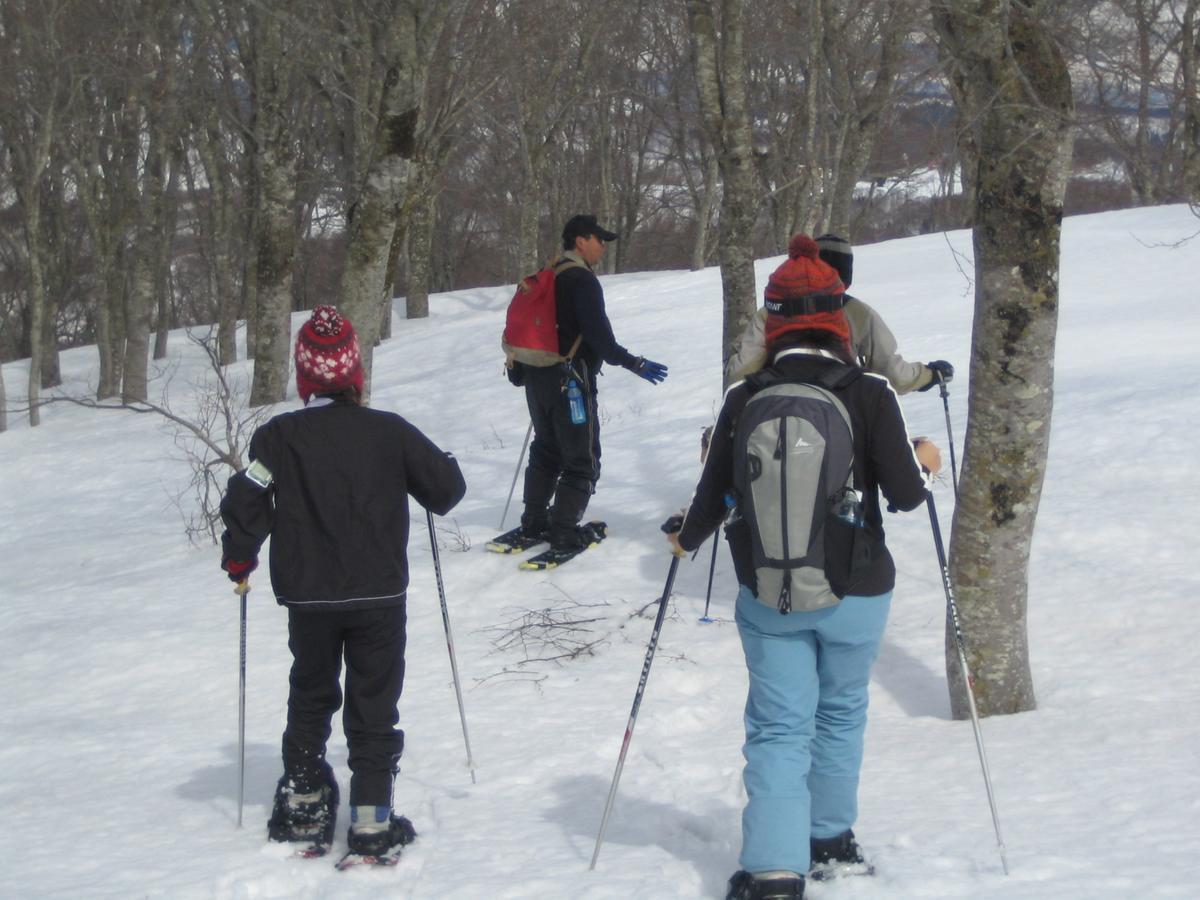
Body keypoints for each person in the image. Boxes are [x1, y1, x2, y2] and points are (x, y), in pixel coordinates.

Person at [666, 237, 941, 900]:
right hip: (859, 590)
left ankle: (773, 870)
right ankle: (831, 839)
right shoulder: (870, 391)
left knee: (778, 727)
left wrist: (686, 541)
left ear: (775, 319)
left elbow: (710, 495)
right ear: (837, 319)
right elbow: (905, 495)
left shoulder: (746, 394)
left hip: (769, 594)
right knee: (842, 711)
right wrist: (924, 460)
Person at [219, 305, 466, 857]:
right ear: (354, 373)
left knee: (311, 691)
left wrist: (240, 557)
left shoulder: (277, 438)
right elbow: (446, 490)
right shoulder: (389, 431)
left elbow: (248, 496)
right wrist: (441, 463)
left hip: (309, 599)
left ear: (306, 379)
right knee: (374, 703)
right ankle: (373, 818)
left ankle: (306, 801)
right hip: (378, 596)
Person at [497, 214, 669, 564]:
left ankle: (533, 524)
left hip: (537, 378)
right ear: (580, 241)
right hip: (570, 381)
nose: (603, 247)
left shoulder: (548, 274)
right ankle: (562, 533)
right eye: (599, 240)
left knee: (546, 449)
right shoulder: (581, 281)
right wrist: (634, 363)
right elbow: (600, 339)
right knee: (583, 461)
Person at [724, 233, 954, 393]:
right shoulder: (859, 314)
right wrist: (929, 375)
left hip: (771, 410)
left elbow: (740, 374)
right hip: (842, 407)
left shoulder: (772, 312)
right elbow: (894, 374)